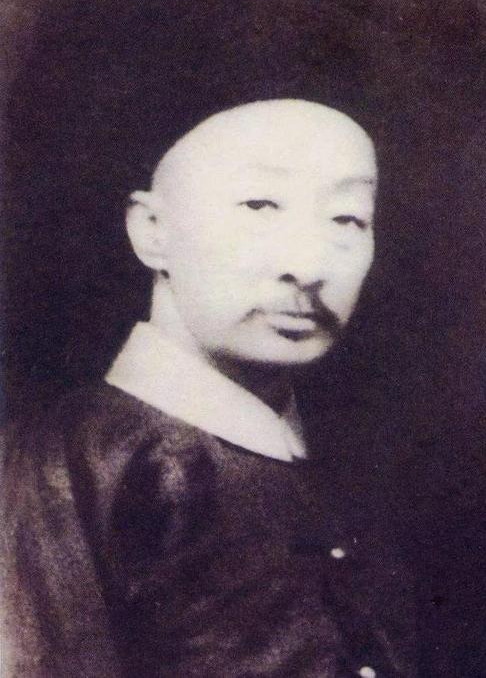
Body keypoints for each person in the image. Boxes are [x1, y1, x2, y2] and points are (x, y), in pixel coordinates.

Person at [2, 97, 415, 677]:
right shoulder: (62, 464)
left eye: (346, 219)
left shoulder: (342, 456)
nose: (307, 267)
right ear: (152, 231)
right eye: (260, 205)